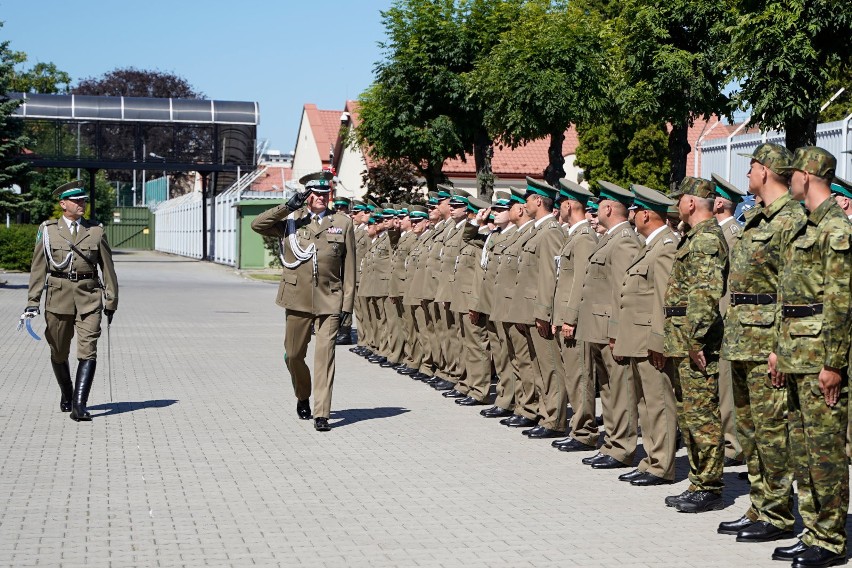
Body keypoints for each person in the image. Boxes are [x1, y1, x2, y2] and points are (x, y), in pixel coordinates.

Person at [716, 144, 803, 543]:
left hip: (767, 338)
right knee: (749, 431)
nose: (747, 173)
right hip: (741, 337)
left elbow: (794, 287)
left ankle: (780, 513)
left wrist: (780, 347)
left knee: (772, 432)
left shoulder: (791, 220)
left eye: (751, 166)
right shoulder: (755, 216)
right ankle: (760, 504)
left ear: (766, 171)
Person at [769, 147, 851, 567]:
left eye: (793, 173)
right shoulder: (805, 225)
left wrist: (834, 364)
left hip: (821, 357)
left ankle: (832, 539)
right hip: (797, 352)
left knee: (825, 453)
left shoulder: (836, 228)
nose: (789, 179)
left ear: (806, 174)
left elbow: (838, 303)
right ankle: (813, 529)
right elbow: (790, 297)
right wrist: (778, 350)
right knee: (802, 451)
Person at [250, 171, 355, 432]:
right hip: (297, 300)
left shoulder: (342, 223)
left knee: (325, 357)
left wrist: (347, 307)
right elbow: (257, 225)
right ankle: (302, 394)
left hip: (330, 300)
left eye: (325, 193)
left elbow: (351, 269)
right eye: (315, 193)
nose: (321, 197)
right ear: (306, 195)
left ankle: (322, 413)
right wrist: (288, 207)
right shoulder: (291, 222)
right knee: (294, 355)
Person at [24, 180, 119, 422]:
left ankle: (79, 405)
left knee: (88, 350)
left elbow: (108, 268)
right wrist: (32, 302)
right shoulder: (48, 230)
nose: (81, 204)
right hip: (58, 298)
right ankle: (67, 393)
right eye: (76, 201)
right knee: (58, 350)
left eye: (83, 200)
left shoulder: (96, 230)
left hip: (89, 298)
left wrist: (111, 300)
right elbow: (38, 268)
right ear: (63, 204)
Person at [663, 176, 729, 513]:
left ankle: (711, 486)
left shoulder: (705, 240)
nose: (676, 206)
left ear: (691, 203)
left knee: (702, 415)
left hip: (694, 339)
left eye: (679, 200)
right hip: (682, 335)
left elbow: (705, 292)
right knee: (689, 415)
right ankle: (699, 480)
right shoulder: (693, 237)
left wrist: (696, 338)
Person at [610, 184, 680, 486]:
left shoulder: (665, 246)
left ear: (647, 214)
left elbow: (663, 299)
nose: (632, 215)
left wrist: (658, 341)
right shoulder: (650, 246)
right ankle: (651, 459)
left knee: (658, 403)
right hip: (637, 339)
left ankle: (662, 465)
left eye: (636, 210)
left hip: (649, 340)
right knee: (645, 404)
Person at [576, 180, 642, 469]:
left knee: (620, 389)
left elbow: (622, 291)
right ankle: (611, 443)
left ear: (608, 208)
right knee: (608, 389)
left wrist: (617, 330)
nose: (597, 211)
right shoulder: (610, 238)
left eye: (601, 205)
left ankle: (623, 447)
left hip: (609, 328)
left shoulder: (625, 239)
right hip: (598, 327)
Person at [551, 179, 599, 452]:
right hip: (565, 319)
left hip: (575, 321)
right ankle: (578, 428)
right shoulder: (574, 236)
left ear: (569, 205)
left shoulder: (583, 239)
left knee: (580, 375)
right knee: (572, 375)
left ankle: (584, 432)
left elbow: (581, 281)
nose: (559, 209)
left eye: (561, 204)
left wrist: (570, 317)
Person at [709, 172, 747, 468]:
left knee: (726, 386)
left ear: (721, 202)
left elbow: (731, 284)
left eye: (713, 196)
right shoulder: (717, 233)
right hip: (713, 319)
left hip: (725, 318)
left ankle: (732, 444)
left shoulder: (732, 234)